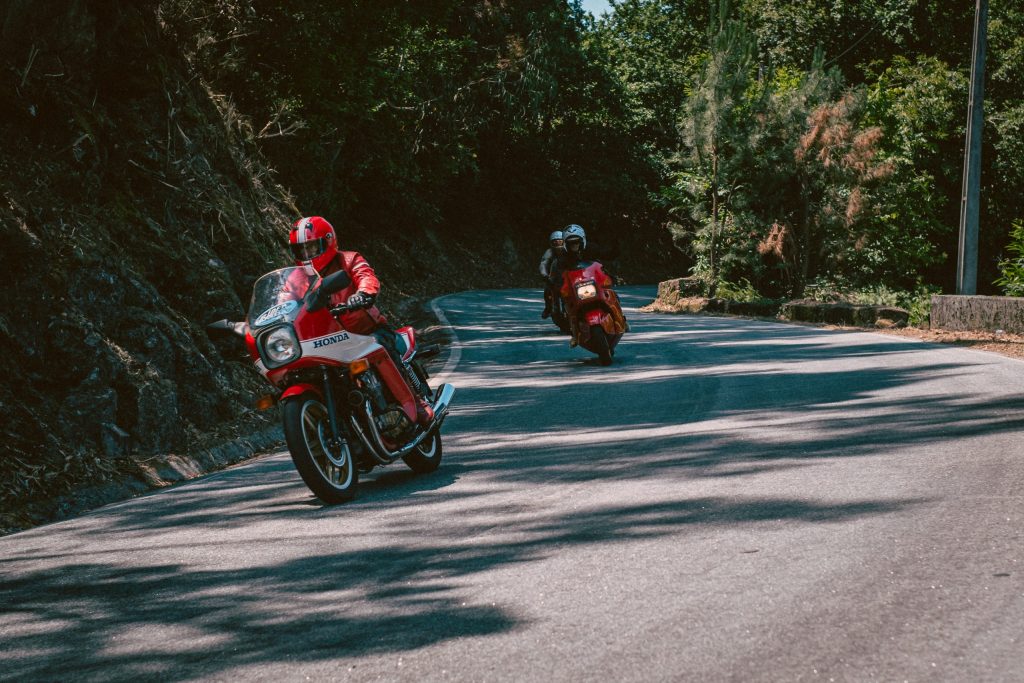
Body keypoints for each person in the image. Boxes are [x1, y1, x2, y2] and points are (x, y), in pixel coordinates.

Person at [286, 216, 434, 426]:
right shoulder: (296, 279)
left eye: (311, 247)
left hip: (366, 331)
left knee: (380, 345)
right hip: (328, 341)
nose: (307, 254)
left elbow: (366, 276)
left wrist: (363, 293)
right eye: (301, 250)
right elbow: (285, 302)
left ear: (328, 242)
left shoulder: (349, 260)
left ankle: (415, 402)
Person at [539, 230, 564, 318]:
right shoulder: (549, 252)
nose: (558, 244)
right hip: (554, 277)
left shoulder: (569, 251)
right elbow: (543, 263)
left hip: (568, 276)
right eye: (555, 242)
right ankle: (548, 308)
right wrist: (544, 274)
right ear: (551, 243)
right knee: (548, 290)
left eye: (560, 241)